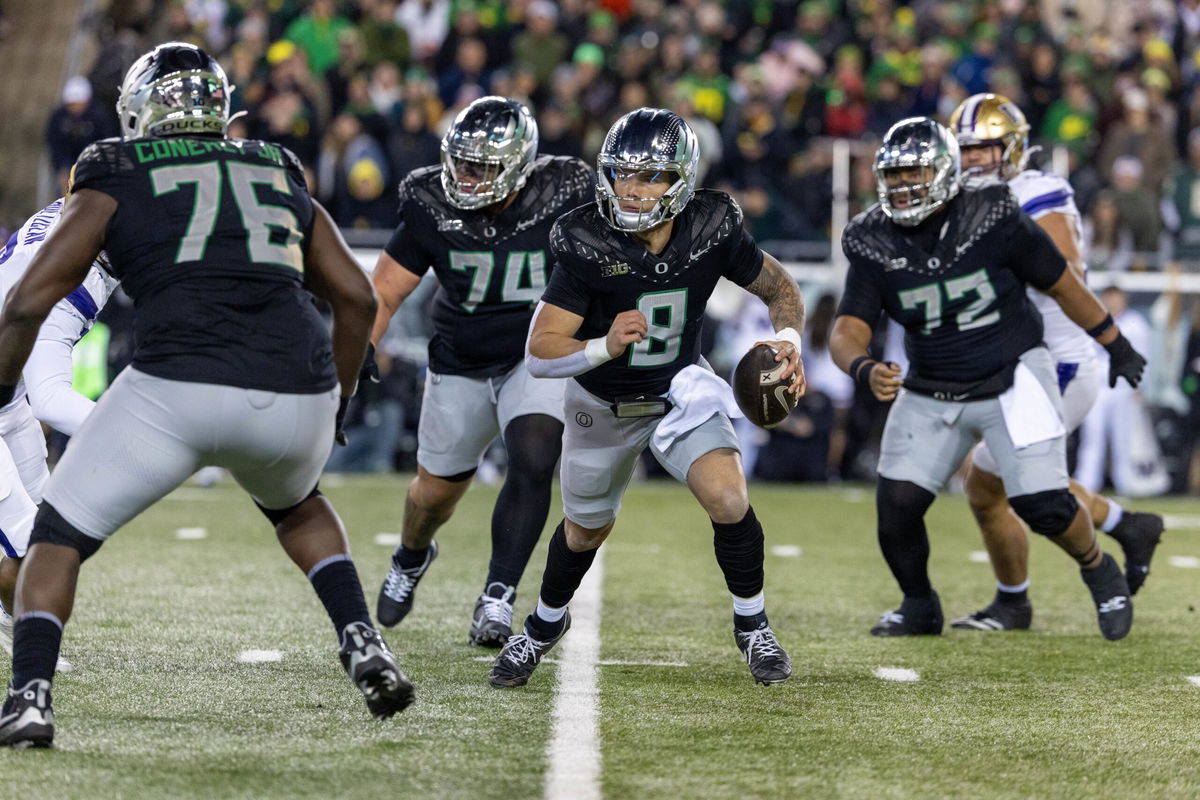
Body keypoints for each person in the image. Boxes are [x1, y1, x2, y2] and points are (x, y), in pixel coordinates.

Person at [0, 42, 412, 749]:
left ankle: (30, 698)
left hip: (177, 382)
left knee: (56, 539)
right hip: (296, 379)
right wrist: (337, 401)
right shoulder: (278, 164)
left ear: (139, 112)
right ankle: (362, 640)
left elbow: (29, 301)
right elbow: (354, 296)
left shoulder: (112, 168)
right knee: (300, 505)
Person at [488, 108, 806, 689]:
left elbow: (779, 287)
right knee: (585, 530)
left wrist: (786, 341)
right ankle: (540, 627)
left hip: (679, 385)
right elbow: (540, 351)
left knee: (728, 497)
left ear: (681, 178)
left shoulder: (712, 224)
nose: (630, 190)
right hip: (602, 401)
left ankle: (753, 623)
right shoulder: (583, 237)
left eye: (649, 176)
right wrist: (602, 346)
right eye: (620, 174)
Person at [829, 118, 1148, 642]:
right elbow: (849, 324)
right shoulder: (871, 236)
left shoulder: (992, 212)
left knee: (1041, 502)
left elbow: (1062, 282)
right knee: (897, 508)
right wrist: (863, 366)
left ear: (946, 172)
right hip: (932, 384)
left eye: (916, 172)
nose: (904, 186)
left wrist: (1115, 342)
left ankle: (1097, 568)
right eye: (895, 175)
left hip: (1013, 374)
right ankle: (919, 605)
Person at [370, 96, 593, 647]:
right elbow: (383, 291)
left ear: (520, 165)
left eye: (482, 166)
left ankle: (497, 595)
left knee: (536, 455)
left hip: (534, 355)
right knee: (433, 495)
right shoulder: (430, 203)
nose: (467, 177)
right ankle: (412, 553)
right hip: (460, 359)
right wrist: (354, 358)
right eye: (462, 162)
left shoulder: (563, 194)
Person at [945, 94, 1164, 632]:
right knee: (988, 484)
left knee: (1012, 486)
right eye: (966, 150)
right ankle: (1123, 526)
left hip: (1058, 365)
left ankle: (1067, 582)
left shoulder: (1037, 191)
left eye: (985, 148)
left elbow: (1061, 269)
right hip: (1016, 364)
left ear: (1013, 149)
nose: (973, 160)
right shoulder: (962, 200)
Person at [0, 192, 121, 664]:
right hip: (15, 400)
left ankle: (19, 632)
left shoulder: (75, 216)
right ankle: (29, 643)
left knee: (45, 533)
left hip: (7, 404)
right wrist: (136, 431)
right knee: (35, 541)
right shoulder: (72, 270)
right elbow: (51, 399)